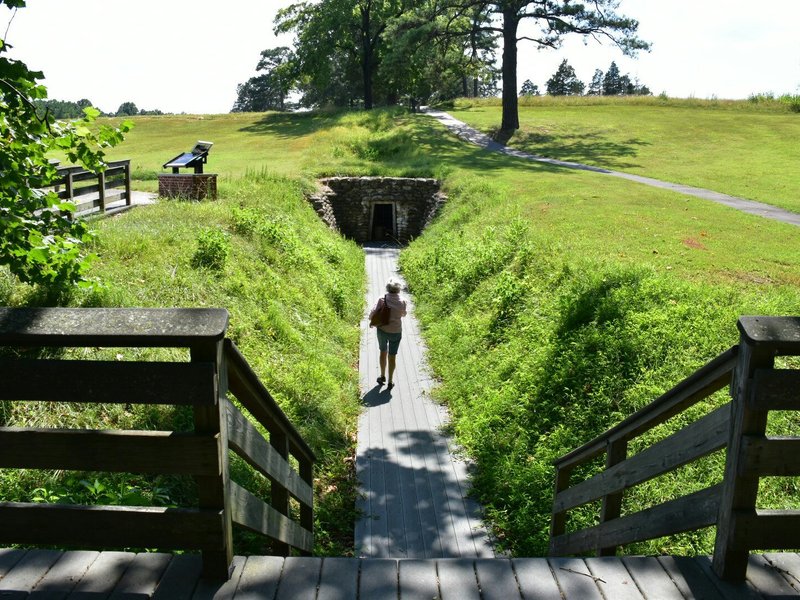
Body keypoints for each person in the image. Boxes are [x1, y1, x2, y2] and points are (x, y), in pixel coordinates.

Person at [369, 277, 407, 390]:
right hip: (396, 332)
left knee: (383, 352)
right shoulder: (403, 301)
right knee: (392, 356)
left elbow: (372, 313)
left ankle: (382, 376)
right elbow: (404, 314)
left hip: (382, 330)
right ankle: (390, 381)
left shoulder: (382, 299)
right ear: (399, 289)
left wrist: (372, 321)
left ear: (387, 288)